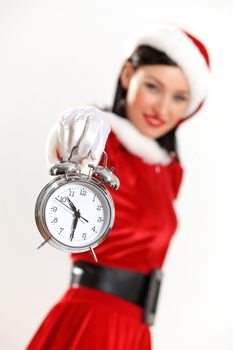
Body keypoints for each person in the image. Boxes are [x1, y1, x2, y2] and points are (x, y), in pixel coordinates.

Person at [27, 24, 210, 349]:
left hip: (136, 331)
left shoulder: (168, 172)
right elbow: (66, 147)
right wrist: (80, 124)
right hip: (92, 325)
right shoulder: (99, 141)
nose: (163, 108)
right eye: (153, 87)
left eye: (179, 97)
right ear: (128, 76)